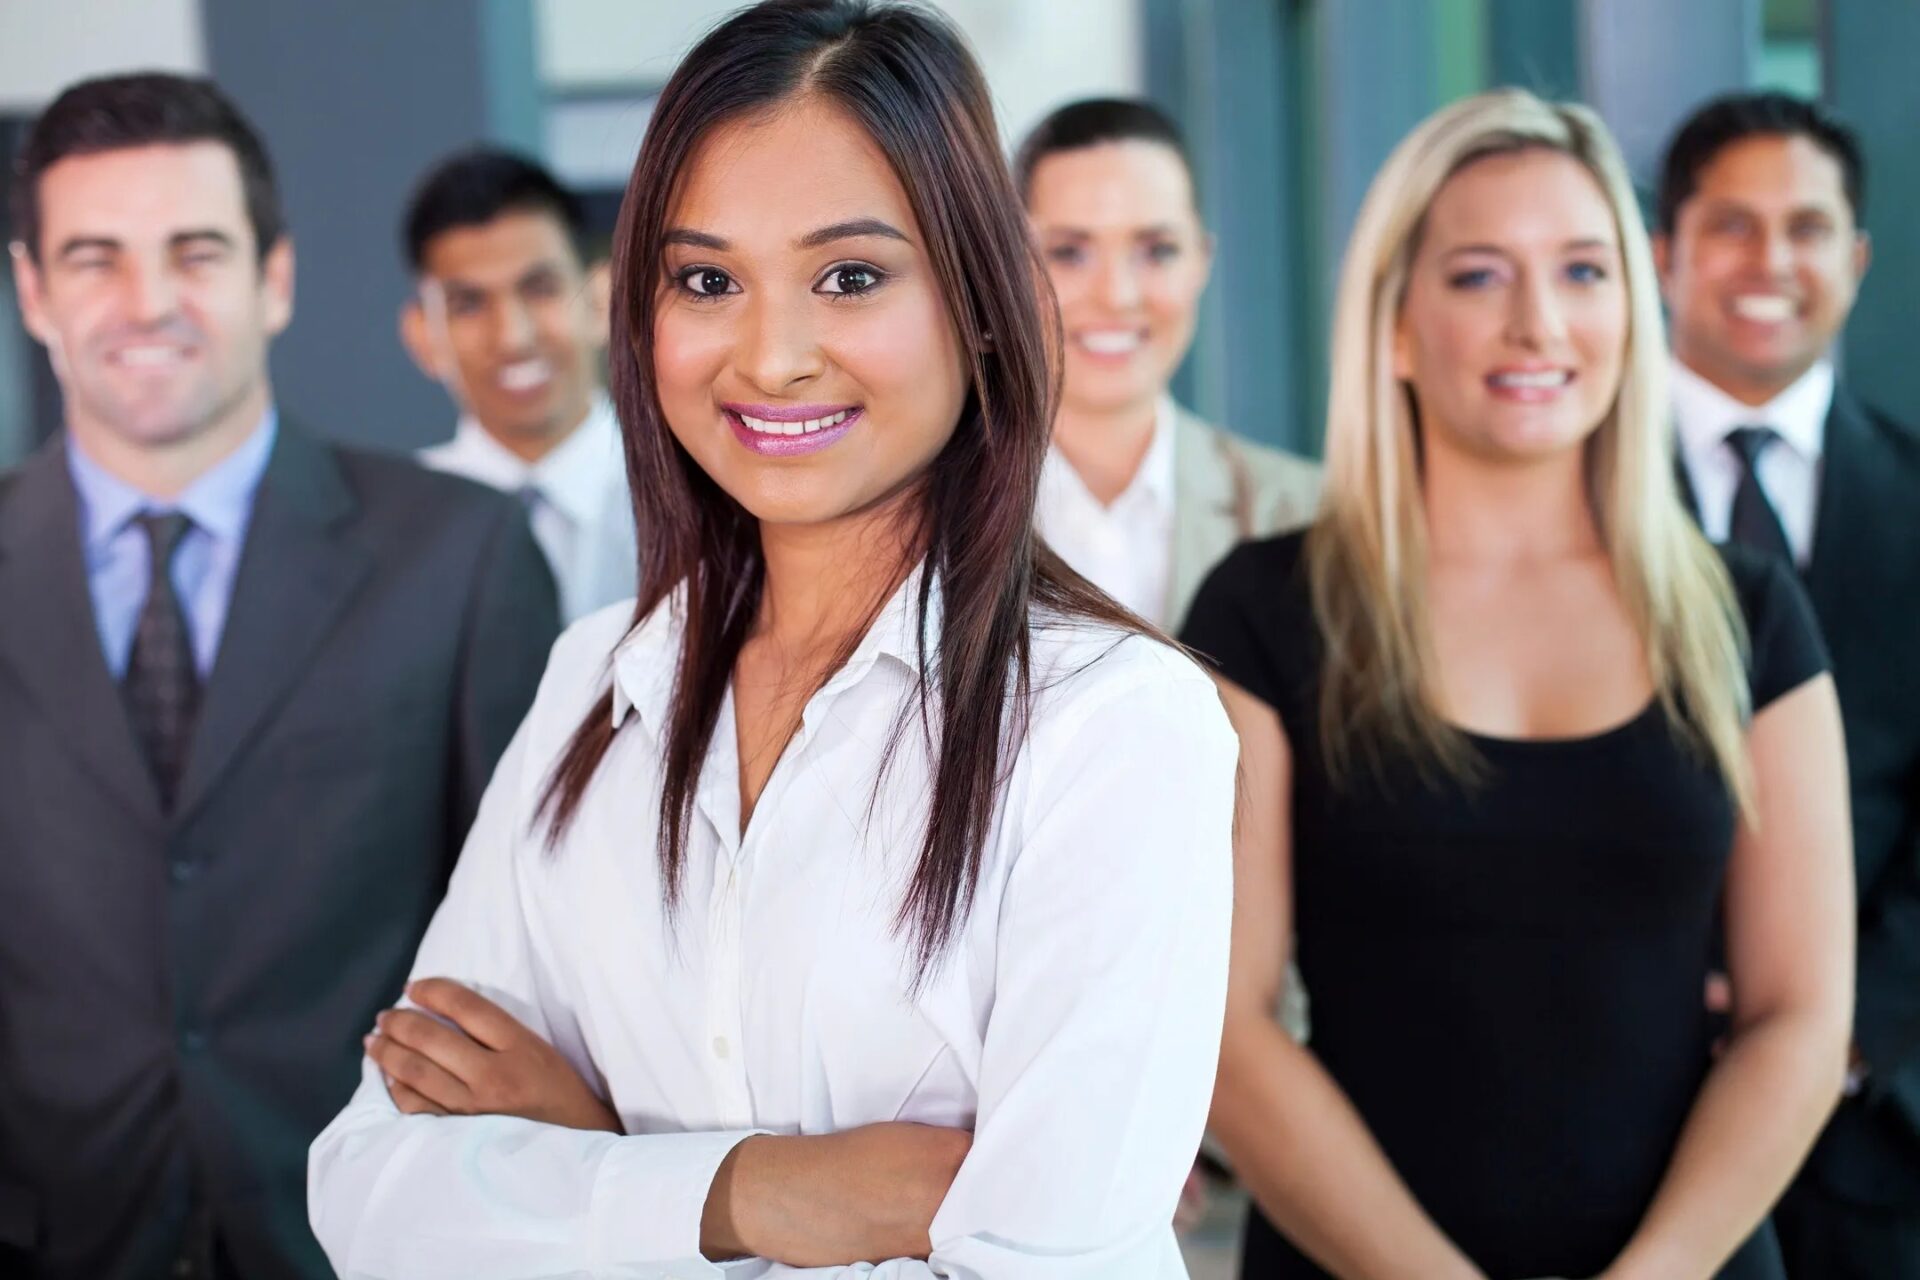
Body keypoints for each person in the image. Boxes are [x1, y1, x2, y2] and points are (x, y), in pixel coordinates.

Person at [308, 2, 1237, 1276]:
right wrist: (756, 1195)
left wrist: (588, 1161)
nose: (772, 353)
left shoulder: (1116, 723)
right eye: (705, 280)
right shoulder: (596, 678)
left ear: (977, 300)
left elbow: (1042, 1261)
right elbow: (372, 1198)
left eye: (850, 276)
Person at [1183, 89, 1853, 1280]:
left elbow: (1799, 1012)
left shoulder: (1746, 610)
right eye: (1481, 276)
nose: (1539, 323)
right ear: (1396, 325)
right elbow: (1225, 1031)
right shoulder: (1265, 606)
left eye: (1585, 273)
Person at [0, 74, 559, 1278]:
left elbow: (538, 962)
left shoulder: (457, 557)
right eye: (96, 257)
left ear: (276, 278)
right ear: (34, 290)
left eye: (194, 251)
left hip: (372, 1237)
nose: (148, 303)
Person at [1655, 91, 1920, 1280]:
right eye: (1732, 225)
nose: (1772, 261)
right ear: (1663, 250)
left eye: (1808, 228)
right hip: (1613, 1112)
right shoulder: (1540, 500)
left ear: (1855, 260)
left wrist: (1841, 1029)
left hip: (1878, 1143)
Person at [1015, 97, 1319, 630]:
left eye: (1157, 251)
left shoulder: (1309, 515)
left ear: (1201, 261)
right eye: (1069, 252)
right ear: (1008, 265)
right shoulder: (929, 519)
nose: (1118, 296)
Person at [404, 147, 636, 623]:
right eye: (468, 304)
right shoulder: (388, 532)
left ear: (600, 302)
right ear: (423, 336)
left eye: (540, 289)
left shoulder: (703, 502)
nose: (512, 337)